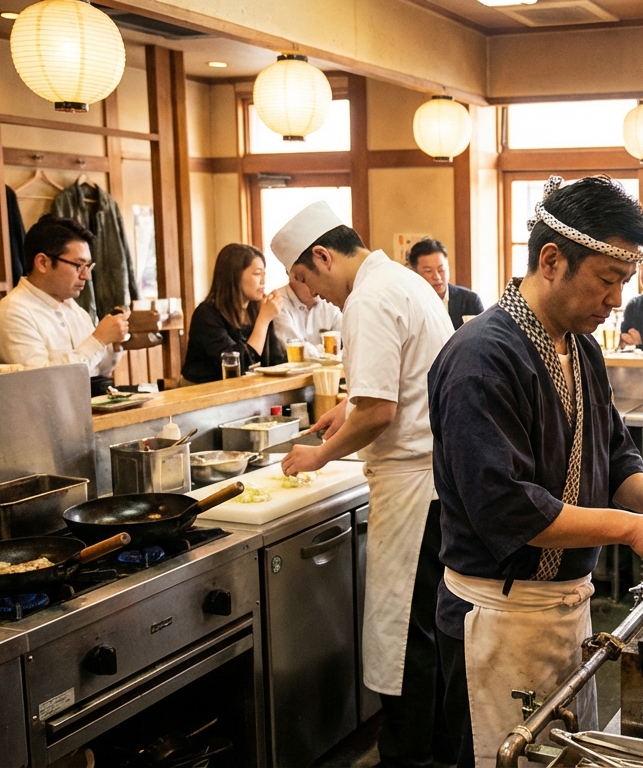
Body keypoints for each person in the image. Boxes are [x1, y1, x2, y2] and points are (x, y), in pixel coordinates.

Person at [428, 176, 643, 766]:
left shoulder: (578, 344)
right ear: (552, 260)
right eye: (607, 281)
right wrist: (630, 529)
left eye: (624, 284)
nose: (616, 301)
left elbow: (612, 450)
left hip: (565, 609)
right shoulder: (481, 358)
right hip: (499, 616)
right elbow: (508, 508)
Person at [275, 203, 454, 768]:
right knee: (429, 627)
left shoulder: (368, 299)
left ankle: (409, 757)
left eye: (305, 279)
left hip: (412, 488)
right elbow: (390, 390)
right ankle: (439, 750)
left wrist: (318, 455)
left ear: (323, 256)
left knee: (402, 633)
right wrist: (346, 410)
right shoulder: (401, 281)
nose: (312, 295)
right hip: (437, 485)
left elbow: (380, 414)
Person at [0, 215, 128, 392]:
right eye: (78, 265)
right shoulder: (11, 313)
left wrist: (115, 343)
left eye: (88, 266)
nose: (86, 276)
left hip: (88, 407)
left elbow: (99, 373)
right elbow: (44, 383)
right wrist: (98, 340)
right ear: (43, 263)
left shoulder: (74, 308)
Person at [181, 244, 286, 384]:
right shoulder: (206, 314)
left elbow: (276, 360)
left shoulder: (256, 309)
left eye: (264, 274)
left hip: (247, 390)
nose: (263, 281)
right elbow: (239, 367)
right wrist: (264, 320)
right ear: (235, 276)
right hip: (204, 393)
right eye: (257, 274)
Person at [408, 238, 483, 330]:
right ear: (414, 272)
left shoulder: (469, 300)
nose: (437, 277)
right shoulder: (409, 304)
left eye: (441, 270)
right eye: (428, 271)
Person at [271, 274, 342, 351]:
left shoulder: (327, 301)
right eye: (313, 280)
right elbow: (293, 348)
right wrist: (324, 350)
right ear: (293, 277)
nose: (319, 286)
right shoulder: (277, 302)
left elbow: (346, 338)